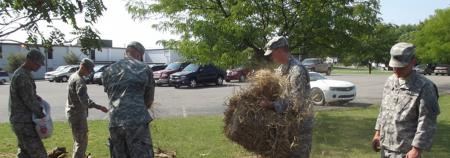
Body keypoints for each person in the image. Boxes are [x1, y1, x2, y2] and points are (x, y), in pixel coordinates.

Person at [372, 42, 440, 158]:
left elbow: (427, 121)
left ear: (413, 62)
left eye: (401, 67)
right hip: (385, 146)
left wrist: (416, 149)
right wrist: (377, 133)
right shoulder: (390, 81)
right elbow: (384, 109)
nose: (396, 70)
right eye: (394, 66)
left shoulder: (425, 86)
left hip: (406, 151)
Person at [260, 36, 313, 158]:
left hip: (299, 127)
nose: (271, 57)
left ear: (279, 51)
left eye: (272, 54)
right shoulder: (280, 70)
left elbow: (296, 102)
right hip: (285, 124)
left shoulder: (297, 71)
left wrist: (271, 105)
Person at [102, 41, 155, 158]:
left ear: (125, 52)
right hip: (137, 122)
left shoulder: (108, 71)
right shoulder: (145, 69)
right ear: (139, 54)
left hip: (115, 122)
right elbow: (149, 100)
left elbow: (110, 95)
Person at [66, 58, 108, 158]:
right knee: (81, 143)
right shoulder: (79, 81)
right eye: (89, 70)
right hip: (77, 115)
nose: (89, 72)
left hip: (71, 113)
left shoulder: (73, 76)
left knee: (77, 141)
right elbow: (85, 101)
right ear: (83, 67)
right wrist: (99, 107)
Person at [9, 50, 48, 158]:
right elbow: (30, 101)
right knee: (40, 154)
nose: (39, 66)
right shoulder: (22, 76)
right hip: (24, 124)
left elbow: (28, 96)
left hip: (20, 122)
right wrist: (43, 116)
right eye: (38, 63)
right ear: (29, 60)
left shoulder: (23, 73)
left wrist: (36, 97)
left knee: (24, 153)